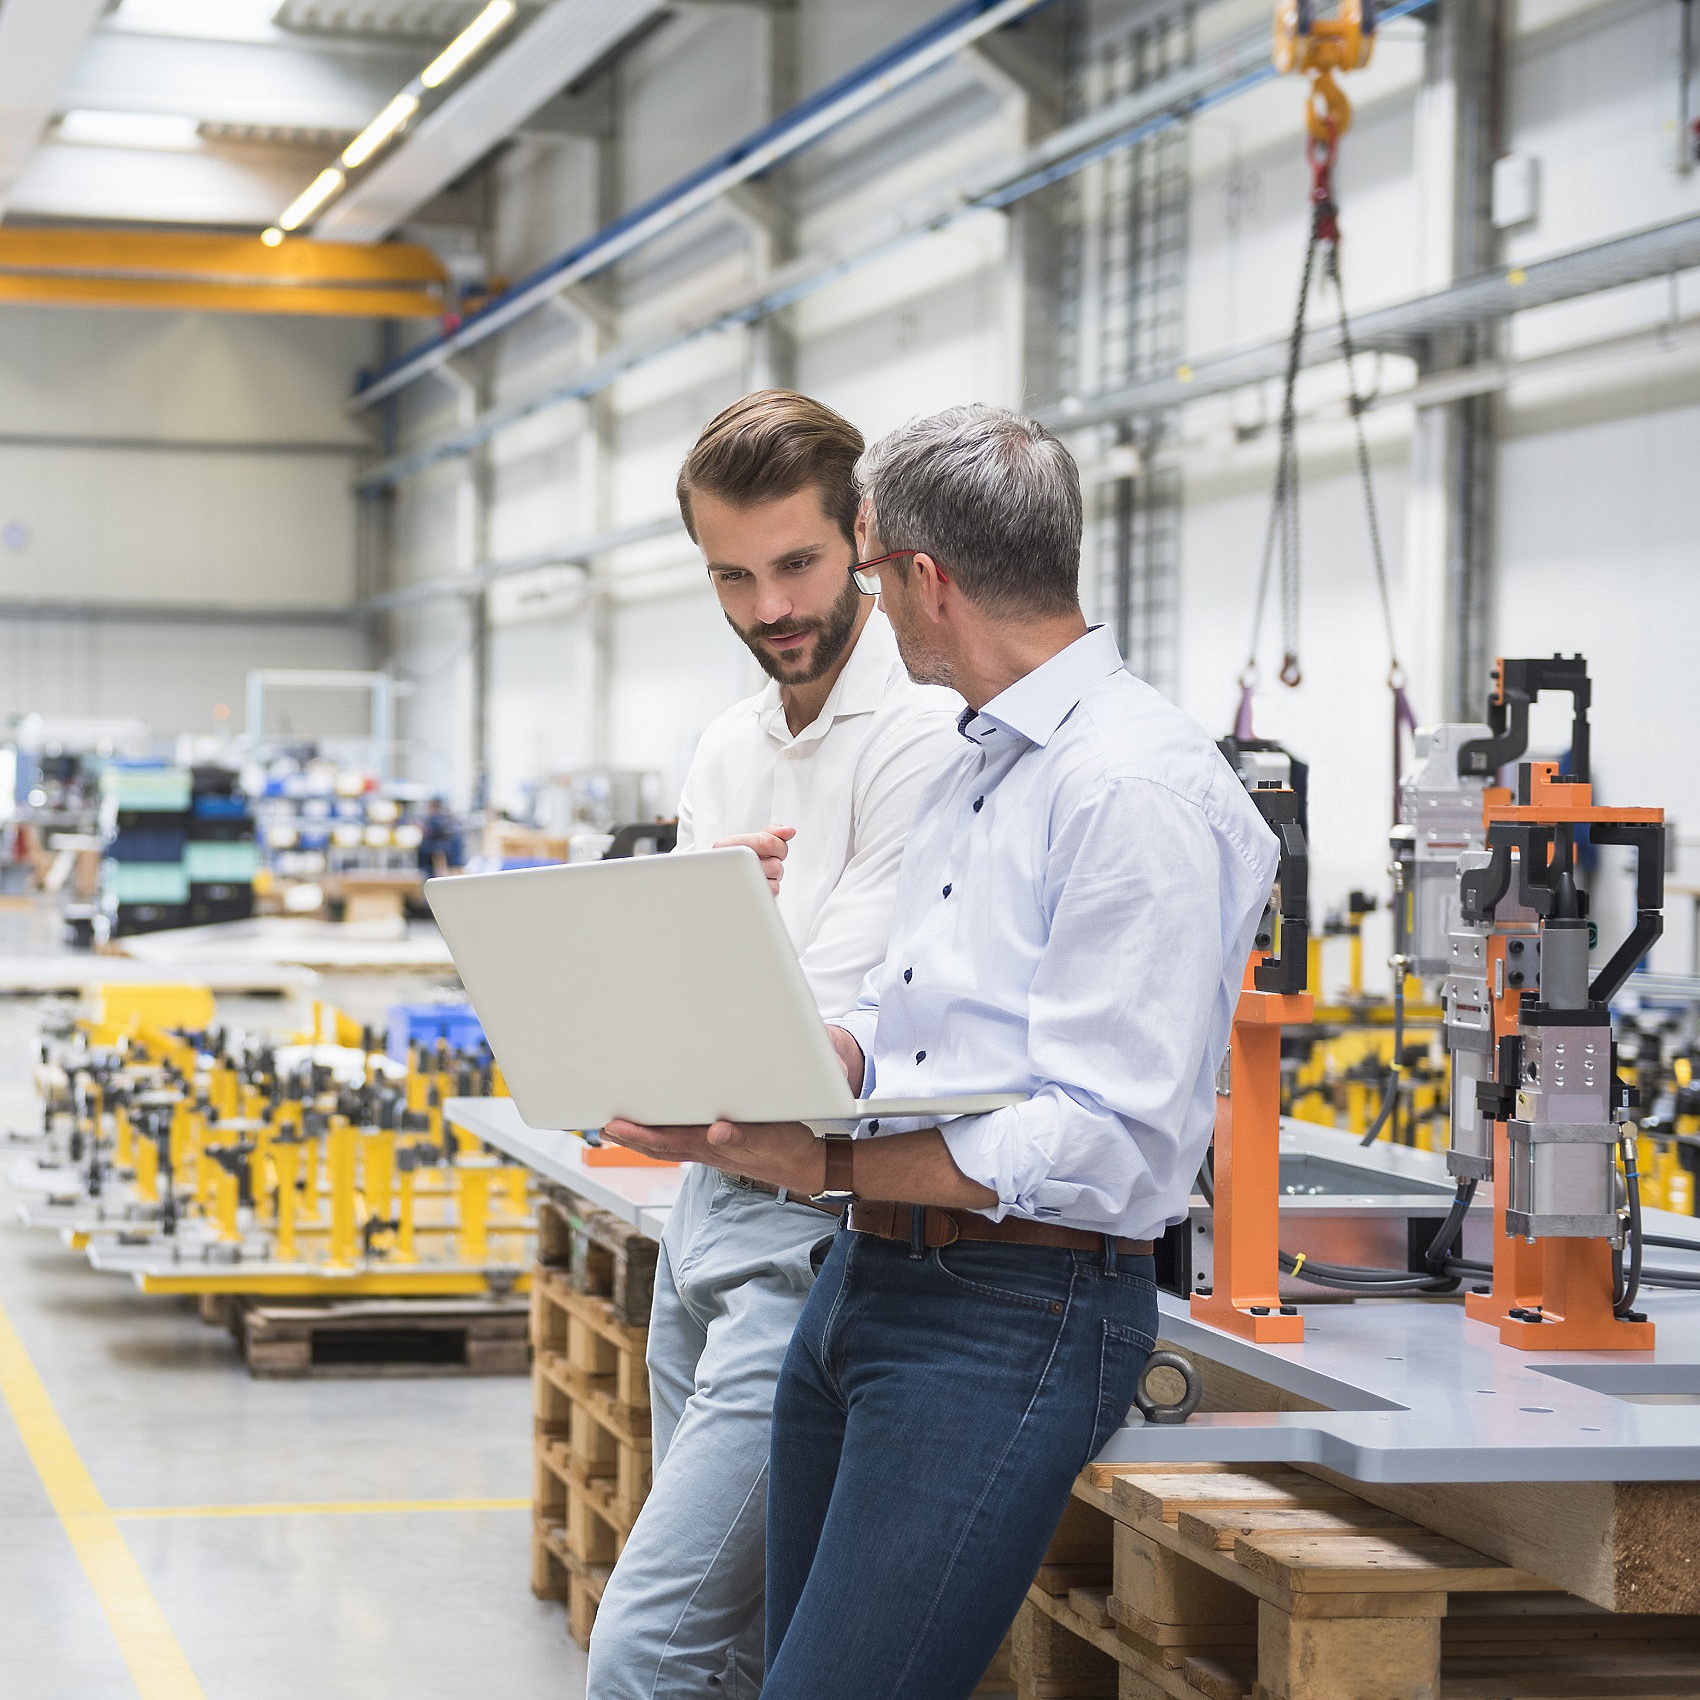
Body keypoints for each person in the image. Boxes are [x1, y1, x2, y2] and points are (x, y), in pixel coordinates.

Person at [604, 404, 1280, 1700]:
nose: (852, 608)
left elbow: (1103, 1135)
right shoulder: (989, 760)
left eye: (858, 570)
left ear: (922, 579)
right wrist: (813, 1059)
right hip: (872, 1277)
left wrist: (824, 1163)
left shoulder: (1130, 789)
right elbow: (912, 1017)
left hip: (1013, 1311)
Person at [584, 390, 962, 1699]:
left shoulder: (922, 737)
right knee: (732, 1652)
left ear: (862, 536)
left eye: (795, 564)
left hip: (813, 1233)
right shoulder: (725, 748)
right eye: (731, 577)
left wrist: (702, 940)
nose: (769, 611)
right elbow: (683, 1004)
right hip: (699, 1217)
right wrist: (663, 930)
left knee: (648, 1650)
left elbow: (837, 1026)